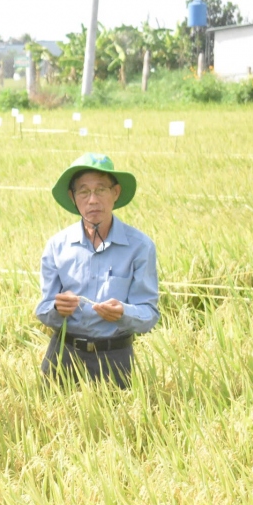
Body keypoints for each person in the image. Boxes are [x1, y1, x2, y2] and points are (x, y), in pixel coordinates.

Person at [35, 153, 160, 387]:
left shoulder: (140, 246)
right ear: (73, 198)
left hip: (115, 358)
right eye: (83, 191)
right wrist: (57, 307)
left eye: (101, 190)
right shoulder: (57, 245)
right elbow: (42, 309)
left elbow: (149, 314)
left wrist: (124, 312)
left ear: (116, 193)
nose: (92, 200)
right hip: (63, 355)